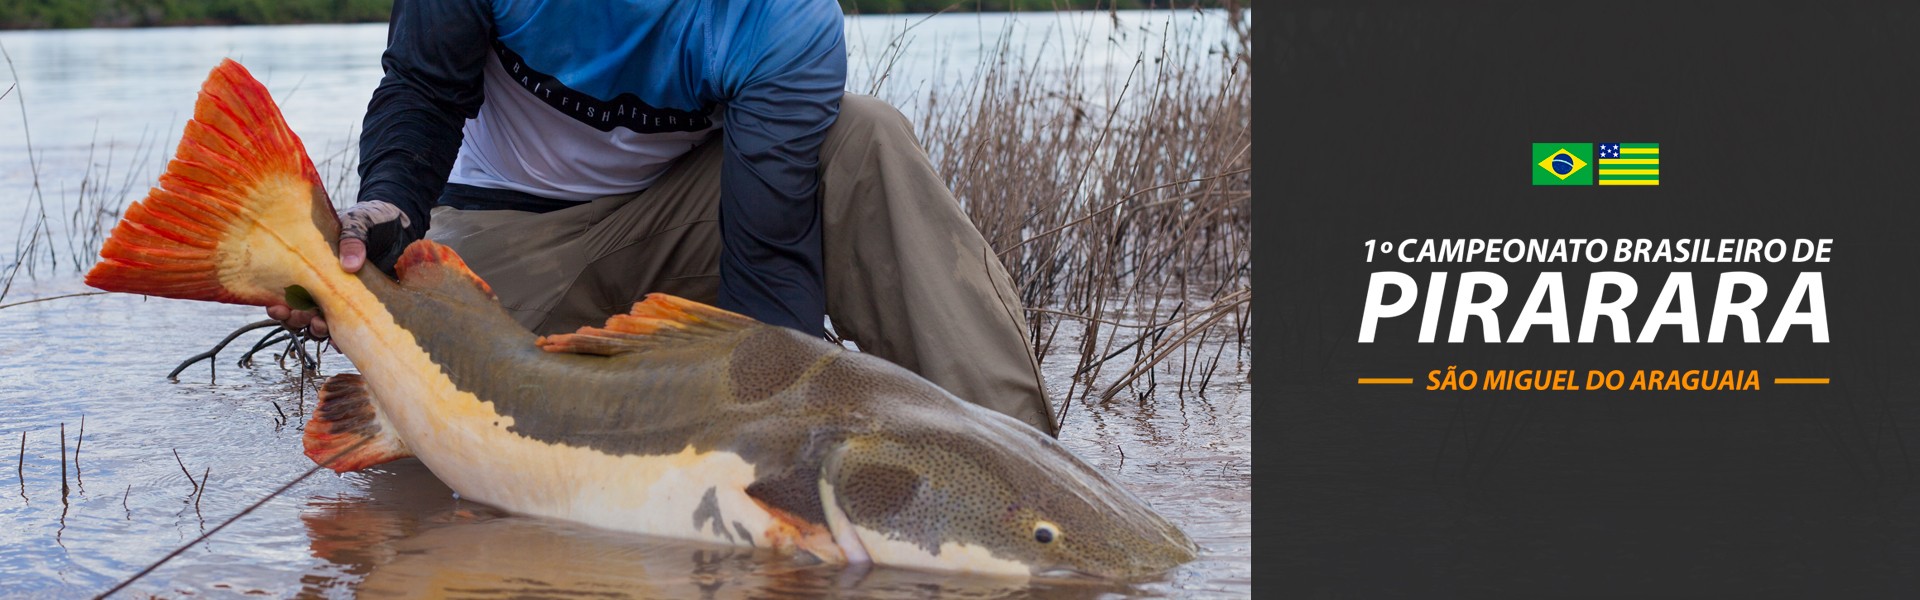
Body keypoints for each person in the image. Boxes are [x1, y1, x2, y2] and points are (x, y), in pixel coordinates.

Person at [264, 0, 1057, 435]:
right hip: (503, 227)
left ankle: (1027, 474)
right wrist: (385, 214)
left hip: (681, 223)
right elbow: (422, 95)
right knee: (442, 458)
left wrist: (773, 451)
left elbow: (768, 278)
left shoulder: (786, 20)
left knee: (864, 135)